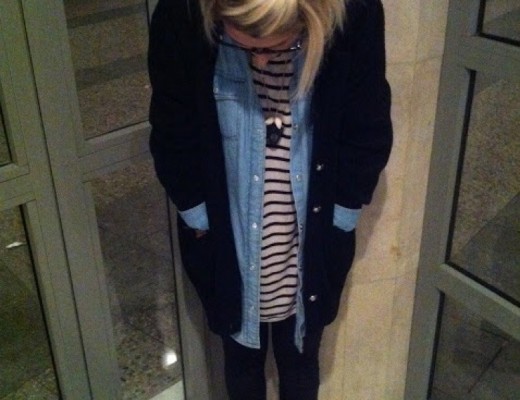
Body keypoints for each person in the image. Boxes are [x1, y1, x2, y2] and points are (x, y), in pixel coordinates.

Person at [148, 0, 392, 399]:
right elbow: (172, 129)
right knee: (241, 362)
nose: (261, 62)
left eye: (279, 47)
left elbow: (367, 125)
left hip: (310, 245)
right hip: (227, 244)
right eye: (243, 46)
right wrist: (200, 219)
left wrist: (340, 219)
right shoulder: (182, 13)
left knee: (301, 361)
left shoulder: (353, 13)